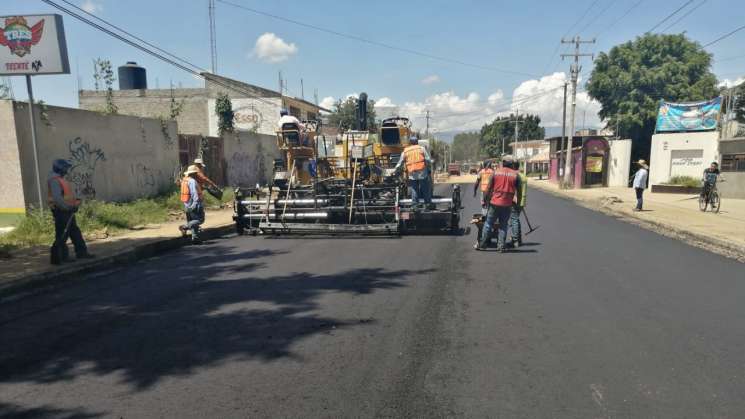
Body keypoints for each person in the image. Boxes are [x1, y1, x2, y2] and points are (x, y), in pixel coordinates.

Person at [48, 159, 94, 264]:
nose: (67, 170)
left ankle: (81, 252)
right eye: (65, 168)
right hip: (61, 211)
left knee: (74, 232)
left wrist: (74, 203)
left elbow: (65, 196)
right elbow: (58, 199)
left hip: (67, 211)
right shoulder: (54, 180)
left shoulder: (59, 179)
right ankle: (59, 258)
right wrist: (68, 207)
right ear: (60, 168)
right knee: (62, 235)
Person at [476, 156, 522, 252]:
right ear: (511, 164)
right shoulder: (516, 175)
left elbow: (488, 188)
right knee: (503, 225)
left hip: (494, 203)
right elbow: (520, 191)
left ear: (503, 163)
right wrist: (518, 203)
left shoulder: (495, 172)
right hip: (507, 204)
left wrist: (485, 200)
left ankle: (483, 244)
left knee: (488, 223)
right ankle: (501, 246)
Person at [394, 136, 433, 207]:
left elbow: (400, 163)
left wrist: (395, 170)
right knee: (425, 188)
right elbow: (427, 160)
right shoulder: (421, 149)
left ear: (410, 143)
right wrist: (429, 168)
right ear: (417, 142)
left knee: (414, 189)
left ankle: (415, 204)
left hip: (412, 173)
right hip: (422, 172)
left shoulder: (406, 151)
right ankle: (427, 203)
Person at [179, 165, 205, 244]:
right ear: (193, 174)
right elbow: (194, 193)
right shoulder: (192, 181)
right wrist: (195, 204)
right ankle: (184, 227)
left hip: (186, 204)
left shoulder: (184, 180)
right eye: (196, 173)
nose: (197, 174)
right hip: (194, 204)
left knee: (192, 221)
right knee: (200, 220)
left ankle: (195, 238)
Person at [510, 160, 527, 247]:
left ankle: (515, 240)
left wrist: (514, 198)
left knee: (514, 220)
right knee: (516, 219)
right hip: (522, 200)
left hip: (515, 200)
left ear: (513, 166)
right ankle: (518, 239)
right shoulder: (523, 176)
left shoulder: (515, 176)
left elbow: (516, 190)